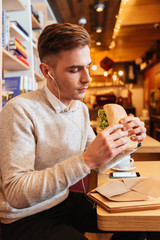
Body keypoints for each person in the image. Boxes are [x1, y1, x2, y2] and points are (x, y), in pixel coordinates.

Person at [0, 23, 147, 240]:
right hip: (24, 217)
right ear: (46, 71)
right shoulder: (19, 110)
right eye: (74, 69)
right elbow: (15, 194)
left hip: (61, 201)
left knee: (139, 221)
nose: (87, 78)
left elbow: (100, 163)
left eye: (88, 66)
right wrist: (85, 161)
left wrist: (128, 140)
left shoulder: (78, 108)